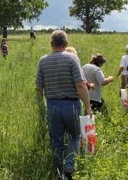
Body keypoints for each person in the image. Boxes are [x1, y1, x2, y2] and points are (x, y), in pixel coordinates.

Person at [36, 30, 92, 179]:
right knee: (75, 136)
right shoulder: (72, 59)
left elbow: (39, 88)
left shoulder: (43, 61)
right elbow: (80, 85)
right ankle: (69, 165)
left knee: (56, 140)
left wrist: (41, 107)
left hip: (52, 105)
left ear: (51, 44)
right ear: (66, 44)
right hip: (72, 104)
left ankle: (59, 172)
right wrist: (88, 107)